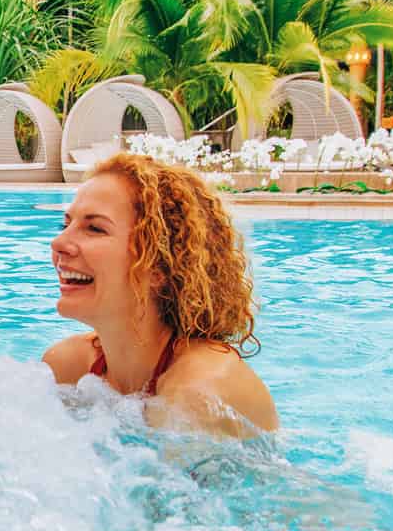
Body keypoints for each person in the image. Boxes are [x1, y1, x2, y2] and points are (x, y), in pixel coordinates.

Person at [42, 153, 278, 437]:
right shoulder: (70, 365)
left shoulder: (197, 392)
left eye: (94, 228)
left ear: (158, 267)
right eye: (65, 224)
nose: (59, 242)